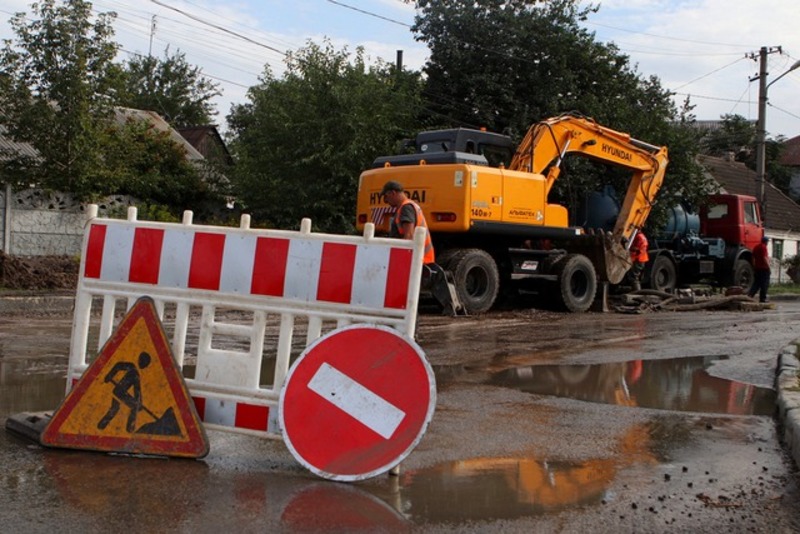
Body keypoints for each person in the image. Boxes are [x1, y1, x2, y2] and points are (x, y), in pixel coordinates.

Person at [381, 180, 435, 264]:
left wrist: (400, 260)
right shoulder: (408, 206)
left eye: (386, 196)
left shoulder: (406, 208)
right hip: (419, 258)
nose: (386, 201)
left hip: (419, 260)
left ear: (393, 193)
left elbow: (409, 236)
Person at [749, 236, 771, 303]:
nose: (768, 243)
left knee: (756, 283)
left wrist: (754, 266)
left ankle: (750, 296)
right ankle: (762, 299)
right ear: (766, 241)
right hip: (764, 268)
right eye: (767, 241)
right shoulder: (763, 247)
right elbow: (764, 258)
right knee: (764, 284)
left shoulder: (756, 247)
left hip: (757, 268)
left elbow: (753, 257)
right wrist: (768, 267)